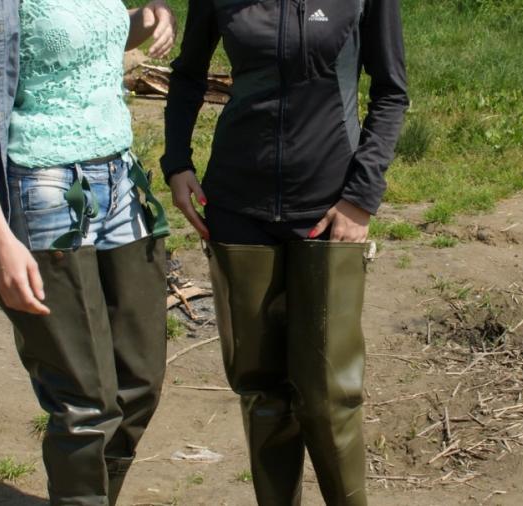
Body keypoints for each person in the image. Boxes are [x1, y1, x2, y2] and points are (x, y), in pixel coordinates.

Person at [0, 0, 177, 503]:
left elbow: (77, 39)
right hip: (42, 190)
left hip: (121, 180)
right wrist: (0, 239)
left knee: (139, 380)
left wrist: (144, 20)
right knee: (85, 400)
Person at [162, 0, 408, 504]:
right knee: (261, 390)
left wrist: (360, 198)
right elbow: (187, 74)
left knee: (328, 394)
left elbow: (391, 91)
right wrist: (176, 161)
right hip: (235, 206)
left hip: (327, 210)